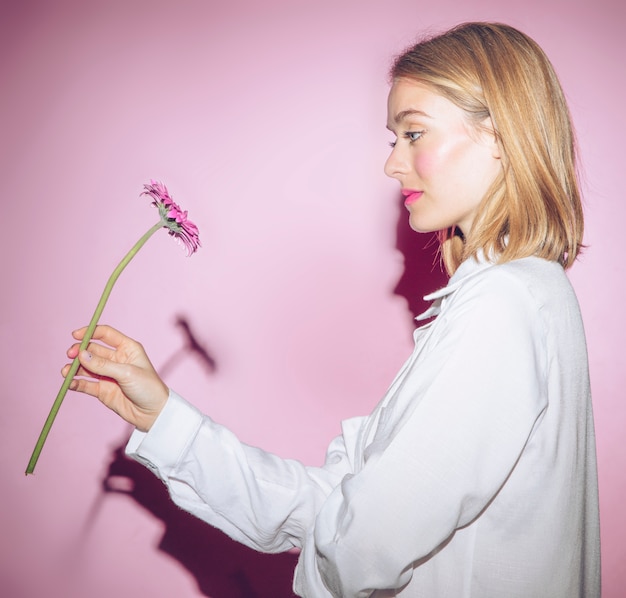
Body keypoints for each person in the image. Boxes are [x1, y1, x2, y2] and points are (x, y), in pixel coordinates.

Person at [64, 22, 600, 598]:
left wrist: (333, 562)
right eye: (394, 139)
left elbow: (360, 547)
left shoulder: (502, 305)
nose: (392, 165)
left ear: (499, 133)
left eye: (413, 134)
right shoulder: (522, 296)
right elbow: (338, 507)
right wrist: (164, 418)